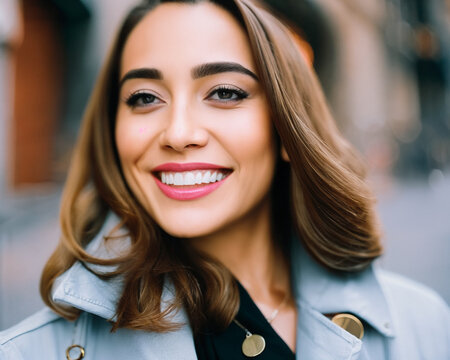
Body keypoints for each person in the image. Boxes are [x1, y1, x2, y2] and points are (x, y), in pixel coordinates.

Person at [1, 0, 449, 359]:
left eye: (225, 93)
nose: (178, 133)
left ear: (288, 130)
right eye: (143, 97)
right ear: (110, 131)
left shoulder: (423, 327)